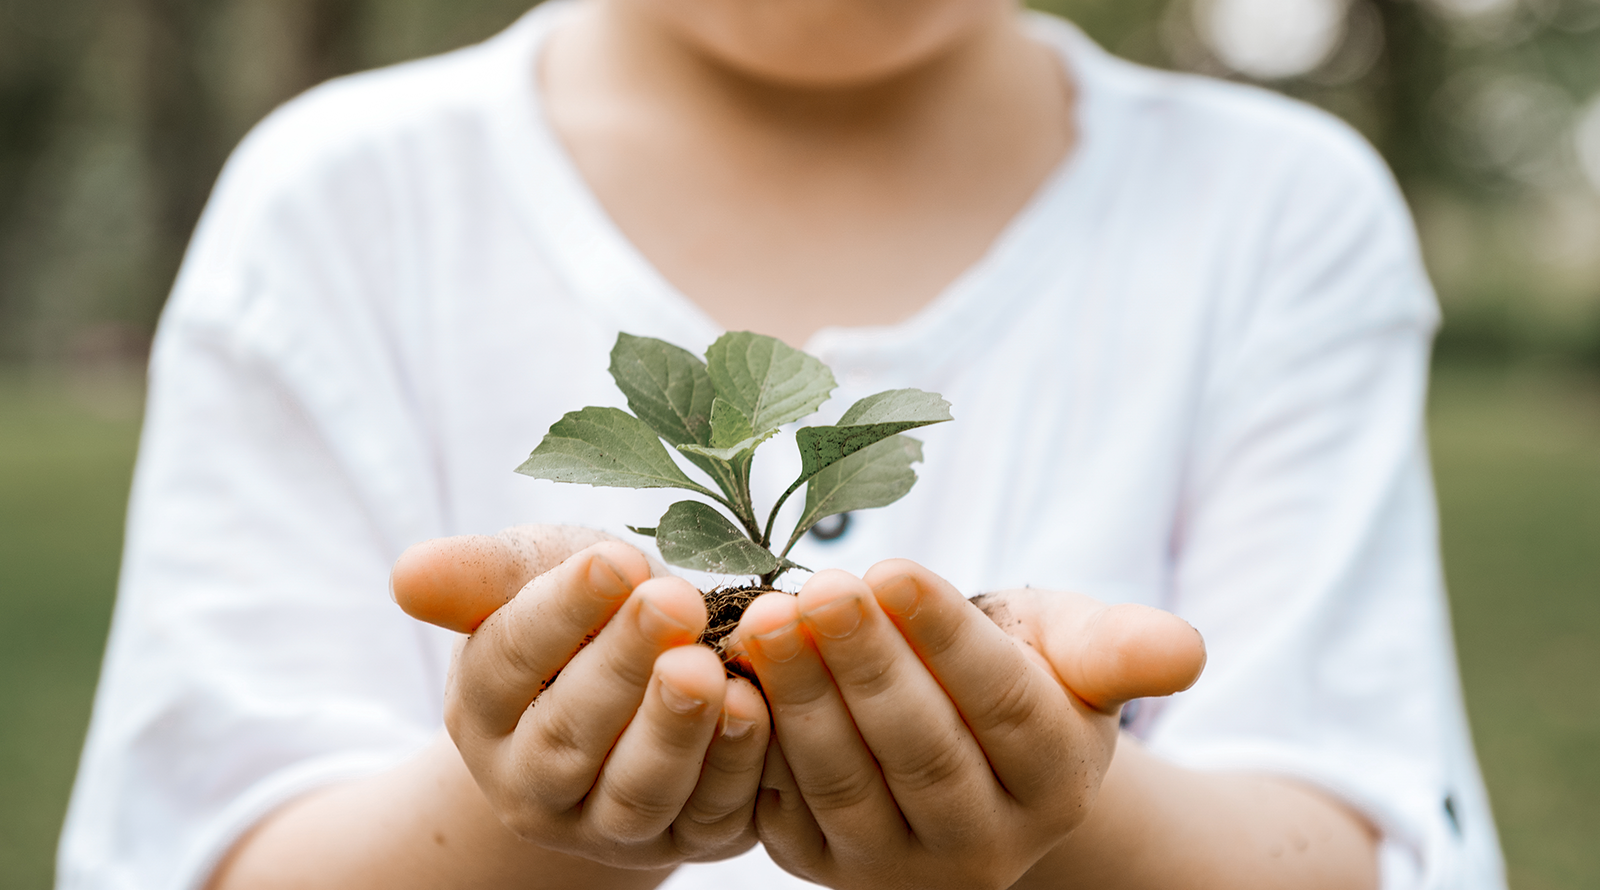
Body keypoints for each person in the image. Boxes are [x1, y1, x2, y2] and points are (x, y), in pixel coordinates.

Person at [57, 0, 1505, 888]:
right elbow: (212, 844)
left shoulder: (1281, 211)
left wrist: (1069, 810)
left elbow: (1345, 844)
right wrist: (516, 809)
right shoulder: (334, 209)